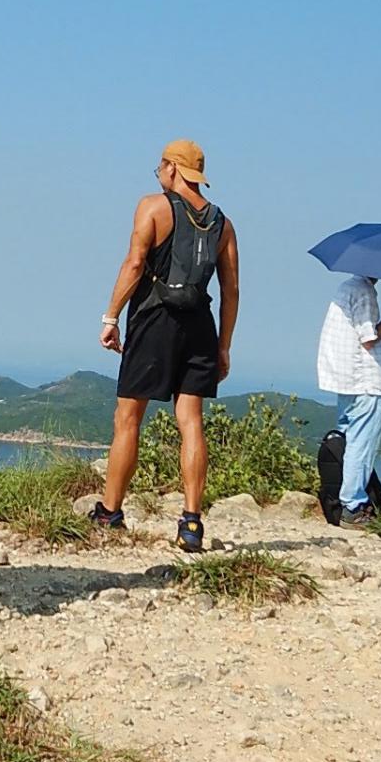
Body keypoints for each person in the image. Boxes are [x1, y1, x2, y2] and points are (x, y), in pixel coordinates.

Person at [96, 140, 240, 552]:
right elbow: (231, 289)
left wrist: (111, 316)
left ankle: (110, 513)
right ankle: (191, 523)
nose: (159, 173)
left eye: (160, 166)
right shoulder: (223, 224)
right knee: (190, 420)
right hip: (200, 325)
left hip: (154, 321)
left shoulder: (153, 207)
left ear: (173, 168)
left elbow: (134, 263)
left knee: (128, 418)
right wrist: (224, 346)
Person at [316, 276, 381, 524]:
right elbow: (369, 338)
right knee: (361, 446)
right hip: (366, 380)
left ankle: (343, 500)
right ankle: (352, 506)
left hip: (346, 380)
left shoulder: (347, 287)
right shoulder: (364, 292)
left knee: (347, 441)